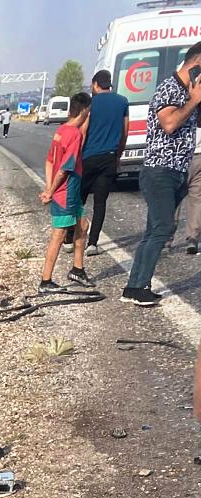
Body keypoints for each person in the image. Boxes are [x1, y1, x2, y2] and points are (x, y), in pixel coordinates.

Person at [121, 41, 201, 306]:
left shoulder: (188, 91)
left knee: (154, 230)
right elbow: (169, 123)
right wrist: (194, 100)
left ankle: (135, 286)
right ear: (196, 63)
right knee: (162, 229)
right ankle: (136, 287)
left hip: (177, 171)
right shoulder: (169, 88)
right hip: (160, 170)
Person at [38, 92, 94, 292]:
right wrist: (51, 191)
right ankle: (45, 281)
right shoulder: (74, 135)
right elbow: (65, 167)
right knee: (59, 234)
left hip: (68, 192)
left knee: (83, 225)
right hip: (66, 192)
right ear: (86, 109)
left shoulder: (61, 130)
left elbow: (49, 161)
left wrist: (47, 186)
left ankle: (77, 270)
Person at [79, 69, 130, 257]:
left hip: (88, 157)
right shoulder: (122, 102)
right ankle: (92, 243)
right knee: (100, 201)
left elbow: (83, 132)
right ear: (110, 84)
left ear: (94, 84)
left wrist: (76, 156)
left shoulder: (91, 103)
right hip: (109, 156)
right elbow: (125, 131)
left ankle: (70, 236)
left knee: (79, 198)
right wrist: (118, 156)